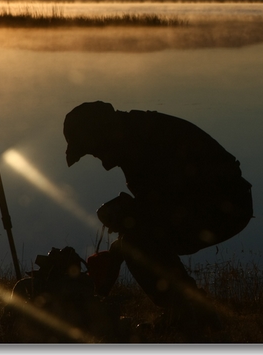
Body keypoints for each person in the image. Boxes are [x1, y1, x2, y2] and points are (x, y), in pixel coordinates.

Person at [63, 101, 253, 328]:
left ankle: (187, 314)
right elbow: (158, 203)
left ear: (102, 134)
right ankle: (191, 309)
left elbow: (167, 201)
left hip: (225, 207)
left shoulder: (143, 144)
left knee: (138, 243)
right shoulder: (132, 135)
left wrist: (124, 239)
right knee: (138, 238)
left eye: (94, 150)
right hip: (212, 203)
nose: (100, 160)